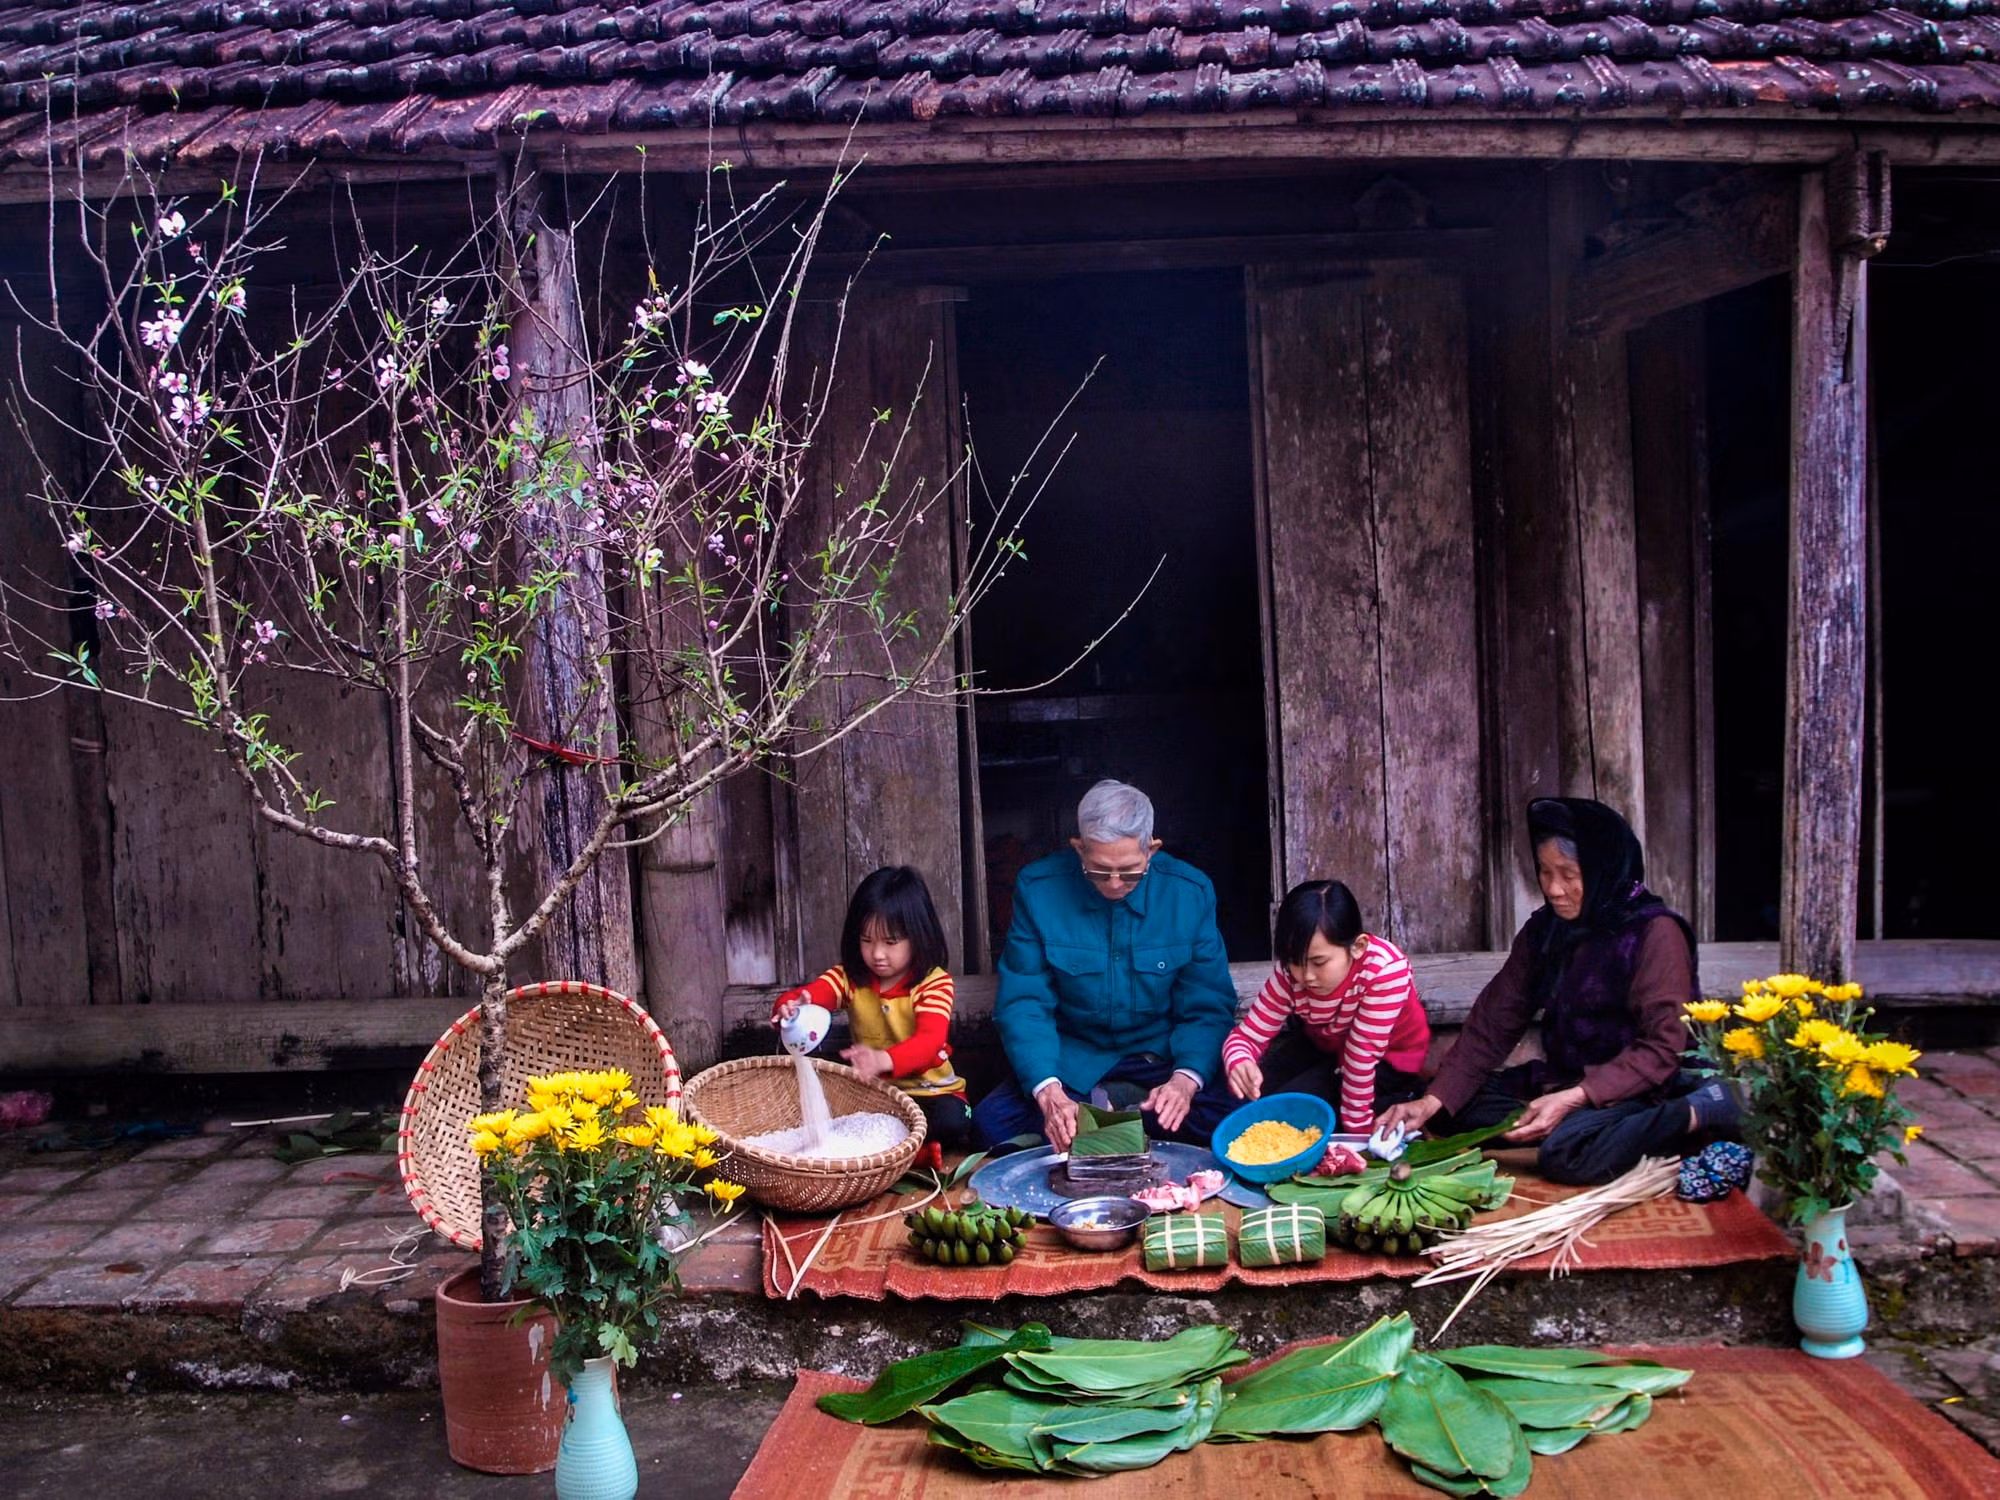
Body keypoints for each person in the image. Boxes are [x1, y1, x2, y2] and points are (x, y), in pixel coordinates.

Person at [1375, 797, 1738, 1185]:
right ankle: (1577, 1126)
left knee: (1566, 1155)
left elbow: (1664, 1049)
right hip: (1567, 1077)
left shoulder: (1655, 932)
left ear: (1603, 871)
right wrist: (1433, 1101)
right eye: (1545, 872)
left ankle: (1700, 1110)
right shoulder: (1546, 930)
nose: (1553, 888)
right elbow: (1496, 1020)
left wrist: (1577, 1097)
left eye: (1568, 874)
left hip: (1645, 1086)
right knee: (1449, 1105)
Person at [973, 780, 1239, 1152]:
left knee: (1238, 1118)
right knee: (993, 1125)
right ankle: (1121, 1115)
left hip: (1159, 1058)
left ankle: (1108, 1114)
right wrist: (1049, 1092)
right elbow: (1024, 1002)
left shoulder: (1189, 893)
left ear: (1152, 850)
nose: (1115, 884)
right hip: (1075, 1061)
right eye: (1099, 870)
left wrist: (1184, 1081)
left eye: (1130, 871)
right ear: (1079, 849)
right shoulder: (1038, 889)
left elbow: (1207, 1004)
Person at [772, 865, 972, 1149]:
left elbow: (930, 1041)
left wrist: (883, 1060)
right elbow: (815, 994)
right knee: (836, 1117)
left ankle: (911, 1155)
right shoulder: (850, 978)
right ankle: (909, 1155)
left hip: (932, 1095)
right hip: (875, 1096)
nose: (877, 954)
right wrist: (789, 1007)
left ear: (918, 935)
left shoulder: (933, 983)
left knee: (954, 1120)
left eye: (890, 942)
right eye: (866, 940)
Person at [1221, 880, 1431, 1134]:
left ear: (1357, 947)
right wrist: (1240, 1061)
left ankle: (1404, 1093)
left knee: (1288, 1118)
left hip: (1387, 1059)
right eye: (1294, 962)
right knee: (1247, 1103)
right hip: (1327, 1044)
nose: (1305, 976)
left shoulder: (1385, 972)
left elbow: (1361, 1059)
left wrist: (1358, 1137)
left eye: (1319, 962)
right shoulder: (1290, 973)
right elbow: (1247, 1036)